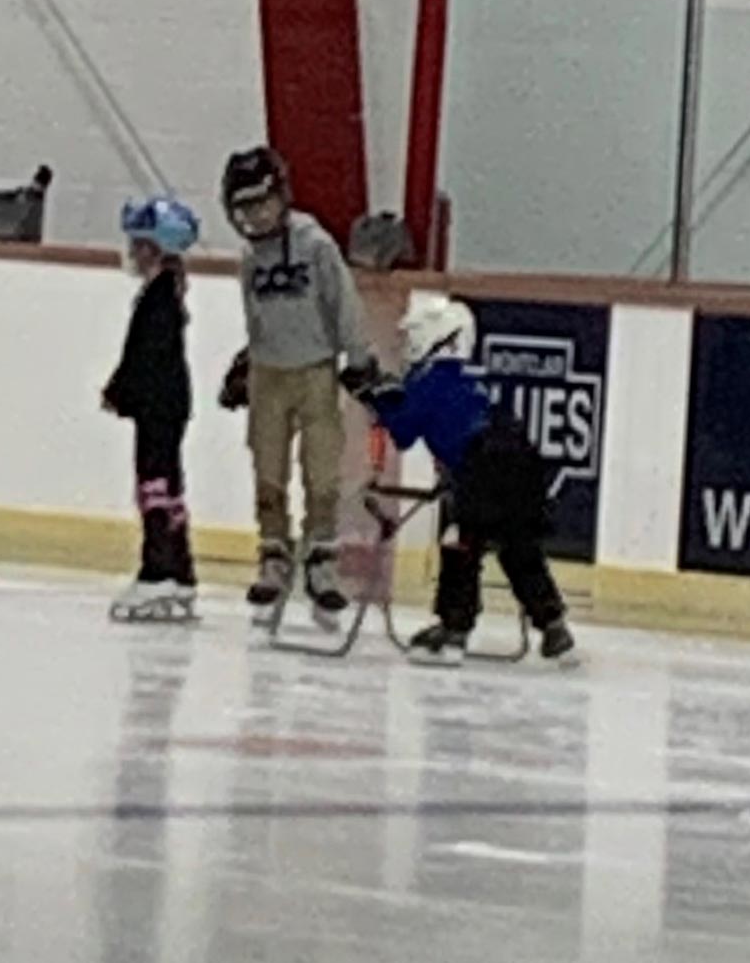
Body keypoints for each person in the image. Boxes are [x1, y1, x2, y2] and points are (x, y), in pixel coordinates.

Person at [353, 292, 577, 667]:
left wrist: (372, 398)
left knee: (460, 543)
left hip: (482, 467)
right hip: (520, 464)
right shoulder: (469, 381)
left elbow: (404, 433)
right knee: (518, 546)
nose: (410, 344)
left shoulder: (430, 382)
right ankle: (554, 625)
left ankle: (454, 629)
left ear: (440, 336)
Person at [216, 146, 374, 622]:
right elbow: (256, 314)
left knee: (322, 472)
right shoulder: (250, 258)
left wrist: (359, 357)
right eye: (245, 208)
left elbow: (342, 302)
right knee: (268, 470)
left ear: (280, 197)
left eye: (263, 203)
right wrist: (248, 360)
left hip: (316, 371)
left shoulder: (315, 244)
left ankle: (322, 560)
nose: (256, 216)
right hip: (270, 376)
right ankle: (273, 554)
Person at [103, 197, 200, 623]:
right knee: (166, 484)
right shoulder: (165, 291)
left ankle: (160, 567)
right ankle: (178, 569)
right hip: (166, 404)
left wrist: (122, 390)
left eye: (138, 243)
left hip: (159, 405)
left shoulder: (159, 297)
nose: (132, 252)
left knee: (155, 485)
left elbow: (145, 355)